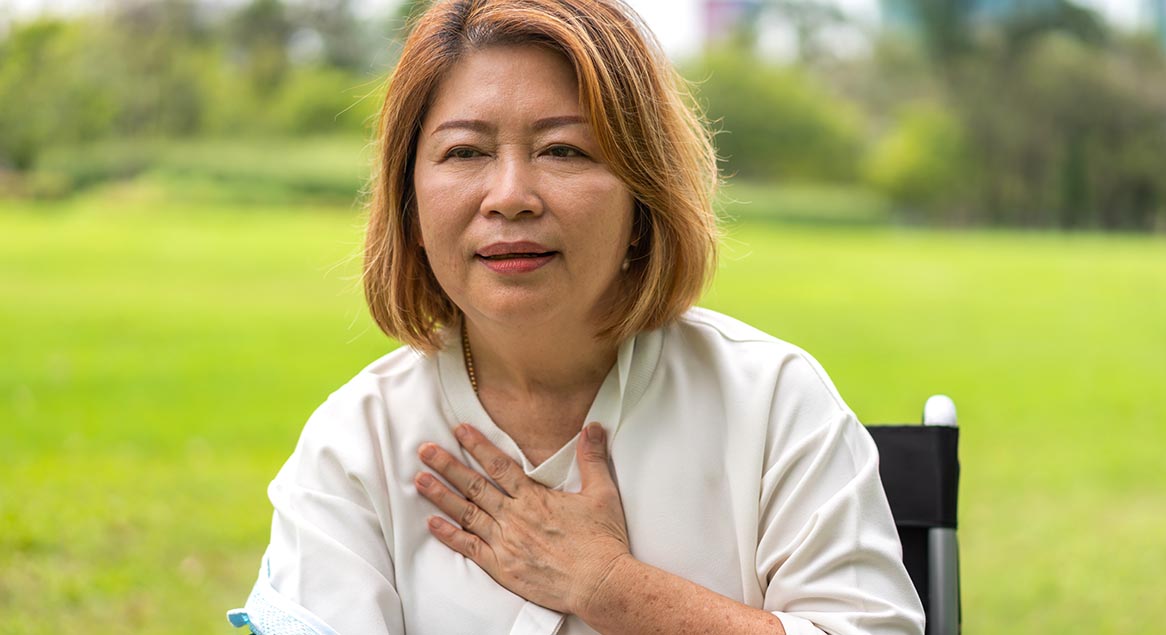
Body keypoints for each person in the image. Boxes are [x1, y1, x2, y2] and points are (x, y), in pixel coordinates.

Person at [227, 1, 925, 634]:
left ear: (643, 200)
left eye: (563, 149)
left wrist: (612, 586)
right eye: (465, 151)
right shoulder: (355, 443)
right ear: (410, 206)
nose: (510, 196)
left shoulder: (772, 400)